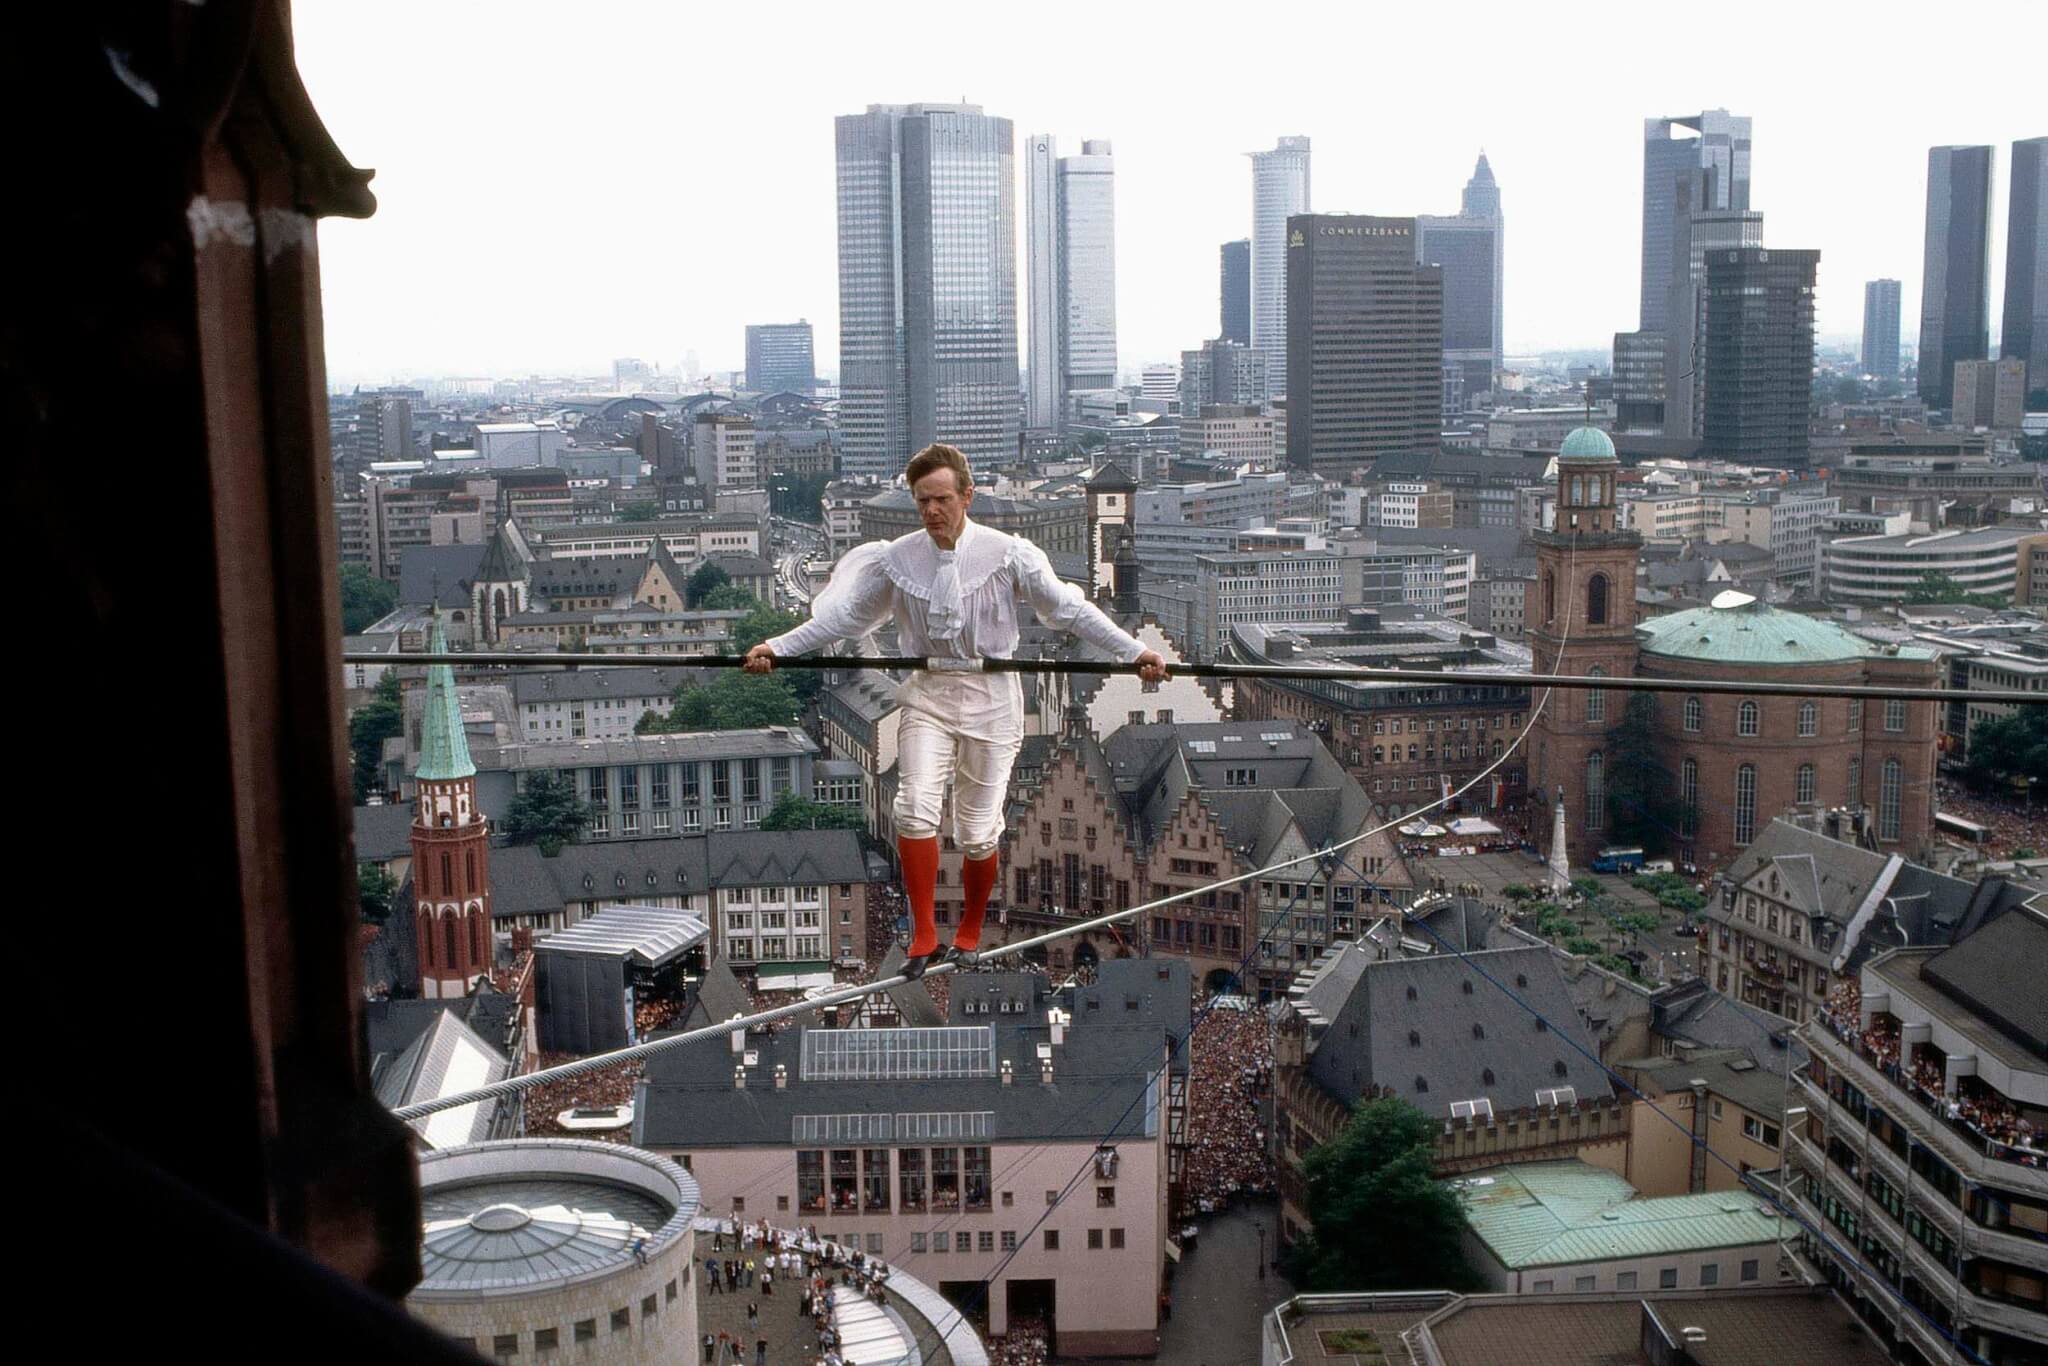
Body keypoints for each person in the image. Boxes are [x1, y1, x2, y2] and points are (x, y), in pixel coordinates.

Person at [750, 443, 1167, 977]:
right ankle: (923, 934)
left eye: (941, 499)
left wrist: (1135, 654)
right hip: (930, 692)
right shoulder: (897, 560)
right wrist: (777, 647)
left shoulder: (1008, 553)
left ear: (966, 496)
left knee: (976, 831)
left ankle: (969, 930)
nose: (931, 511)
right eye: (922, 501)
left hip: (992, 700)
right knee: (914, 806)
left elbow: (1070, 612)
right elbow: (842, 621)